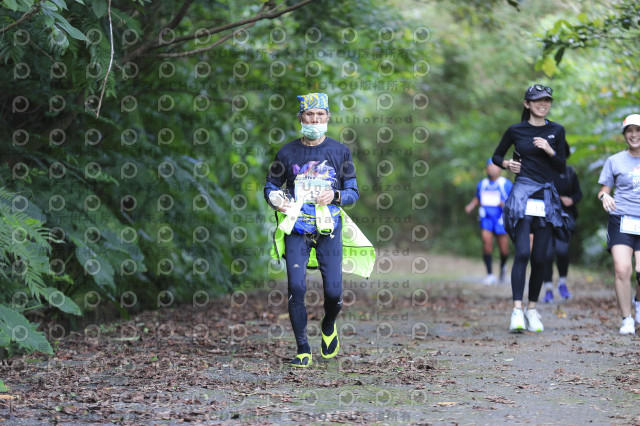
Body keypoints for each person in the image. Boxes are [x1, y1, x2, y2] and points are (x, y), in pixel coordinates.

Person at [264, 93, 374, 367]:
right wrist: (275, 198)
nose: (314, 119)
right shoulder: (287, 153)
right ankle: (303, 349)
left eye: (320, 114)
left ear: (327, 117)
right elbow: (271, 185)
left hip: (329, 229)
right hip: (297, 228)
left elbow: (353, 191)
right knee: (296, 288)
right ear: (301, 118)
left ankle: (328, 325)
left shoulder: (340, 151)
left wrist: (335, 196)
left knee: (334, 293)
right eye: (309, 114)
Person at [492, 84, 568, 333]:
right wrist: (507, 164)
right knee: (523, 252)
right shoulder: (516, 130)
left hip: (545, 196)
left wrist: (549, 149)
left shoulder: (556, 130)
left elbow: (561, 166)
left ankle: (532, 310)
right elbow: (496, 156)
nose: (543, 104)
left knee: (540, 258)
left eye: (547, 100)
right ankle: (517, 310)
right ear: (527, 103)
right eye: (537, 100)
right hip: (522, 193)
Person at [597, 113, 640, 335]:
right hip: (621, 219)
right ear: (624, 134)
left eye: (638, 130)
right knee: (622, 269)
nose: (634, 135)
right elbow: (603, 190)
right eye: (629, 130)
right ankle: (627, 319)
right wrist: (605, 197)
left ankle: (638, 302)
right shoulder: (614, 161)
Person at [542, 143, 582, 302]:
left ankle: (562, 284)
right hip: (545, 217)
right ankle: (548, 289)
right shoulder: (544, 171)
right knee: (546, 254)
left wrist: (571, 200)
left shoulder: (570, 172)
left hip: (565, 217)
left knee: (562, 251)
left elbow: (578, 194)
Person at [465, 159, 513, 285]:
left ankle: (503, 267)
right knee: (486, 244)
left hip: (501, 219)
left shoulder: (505, 184)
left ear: (500, 169)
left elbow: (514, 200)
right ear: (486, 169)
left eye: (494, 166)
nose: (492, 168)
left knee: (504, 250)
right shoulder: (482, 184)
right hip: (486, 218)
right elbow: (478, 197)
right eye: (490, 166)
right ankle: (490, 274)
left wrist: (505, 204)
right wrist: (471, 206)